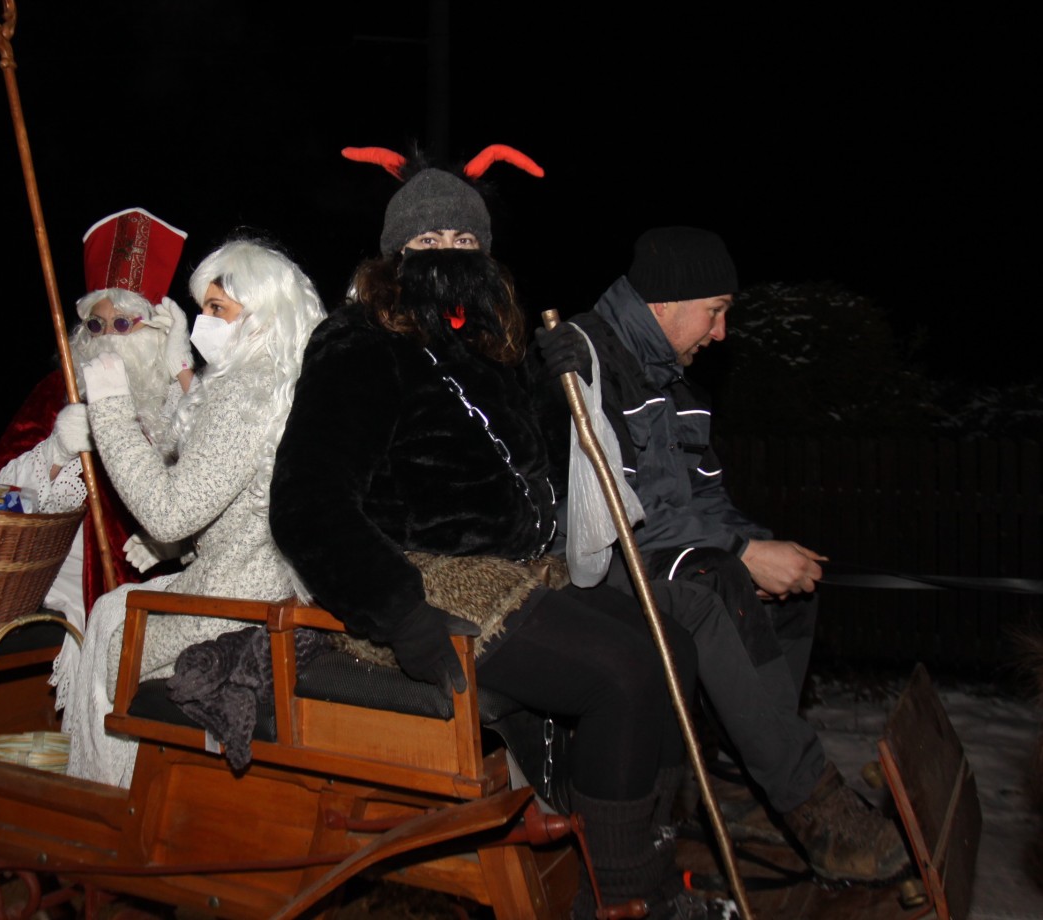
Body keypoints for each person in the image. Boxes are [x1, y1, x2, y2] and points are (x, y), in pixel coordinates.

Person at [271, 147, 716, 918]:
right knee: (623, 675)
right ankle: (618, 901)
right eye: (428, 241)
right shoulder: (360, 343)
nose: (448, 254)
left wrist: (557, 386)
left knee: (670, 647)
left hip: (515, 571)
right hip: (424, 583)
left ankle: (642, 857)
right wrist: (402, 613)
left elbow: (524, 468)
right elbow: (305, 503)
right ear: (395, 256)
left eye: (463, 240)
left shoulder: (481, 345)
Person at [534, 226, 907, 882]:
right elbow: (616, 514)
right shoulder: (585, 358)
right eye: (715, 311)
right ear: (665, 303)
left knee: (789, 591)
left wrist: (762, 549)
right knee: (718, 581)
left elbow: (706, 497)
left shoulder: (673, 384)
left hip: (655, 551)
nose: (721, 331)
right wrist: (740, 553)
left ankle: (741, 785)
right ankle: (812, 805)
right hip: (582, 566)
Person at [53, 238, 326, 788]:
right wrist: (182, 368)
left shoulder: (243, 392)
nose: (206, 323)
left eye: (217, 308)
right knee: (111, 606)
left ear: (261, 312)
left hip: (230, 603)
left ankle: (112, 798)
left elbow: (170, 513)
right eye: (203, 308)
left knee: (109, 643)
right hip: (266, 587)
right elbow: (214, 472)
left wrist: (109, 409)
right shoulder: (285, 383)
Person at [0, 207, 194, 616]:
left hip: (160, 580)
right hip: (61, 578)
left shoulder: (179, 399)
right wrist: (56, 452)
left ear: (157, 329)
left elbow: (217, 479)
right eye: (97, 325)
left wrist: (176, 540)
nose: (107, 337)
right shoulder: (57, 391)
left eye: (123, 324)